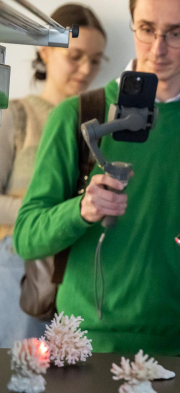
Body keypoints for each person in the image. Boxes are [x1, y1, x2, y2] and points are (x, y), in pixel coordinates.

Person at [14, 0, 180, 366]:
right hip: (81, 346)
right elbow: (27, 237)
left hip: (179, 348)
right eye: (146, 29)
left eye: (176, 33)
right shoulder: (77, 115)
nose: (158, 48)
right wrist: (82, 210)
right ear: (132, 24)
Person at [0, 4, 107, 348]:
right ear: (45, 49)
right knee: (20, 369)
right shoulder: (16, 115)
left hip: (81, 270)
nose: (86, 69)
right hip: (21, 267)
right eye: (75, 56)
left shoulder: (103, 126)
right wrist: (49, 212)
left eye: (95, 59)